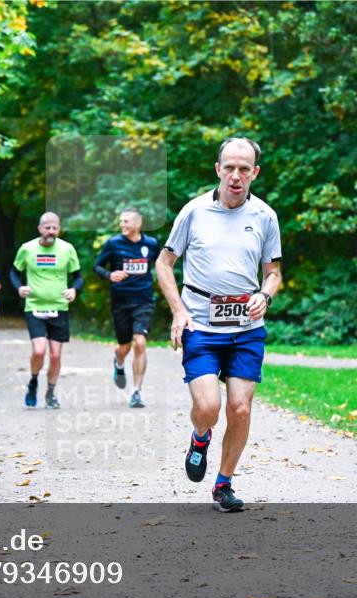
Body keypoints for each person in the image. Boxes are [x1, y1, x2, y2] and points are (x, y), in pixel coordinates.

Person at [155, 137, 283, 512]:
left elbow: (273, 271)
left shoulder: (265, 216)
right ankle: (199, 437)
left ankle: (223, 485)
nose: (236, 176)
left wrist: (266, 295)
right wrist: (179, 311)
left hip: (245, 328)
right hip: (201, 325)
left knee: (240, 409)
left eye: (244, 169)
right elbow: (164, 264)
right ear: (218, 170)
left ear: (255, 173)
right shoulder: (193, 212)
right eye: (229, 167)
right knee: (209, 408)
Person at [10, 212, 83, 409]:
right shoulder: (27, 249)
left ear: (59, 229)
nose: (51, 232)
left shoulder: (67, 249)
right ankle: (33, 380)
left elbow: (78, 277)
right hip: (35, 306)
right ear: (40, 228)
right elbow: (14, 272)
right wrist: (19, 287)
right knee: (39, 350)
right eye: (47, 228)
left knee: (56, 355)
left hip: (59, 307)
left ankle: (51, 392)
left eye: (55, 228)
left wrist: (74, 290)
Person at [93, 207, 160, 408]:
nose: (122, 225)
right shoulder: (113, 244)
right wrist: (109, 275)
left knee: (140, 342)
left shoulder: (151, 244)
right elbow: (97, 266)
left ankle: (136, 392)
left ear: (137, 224)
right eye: (121, 221)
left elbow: (161, 266)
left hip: (143, 300)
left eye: (126, 221)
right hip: (120, 301)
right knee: (124, 346)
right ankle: (119, 362)